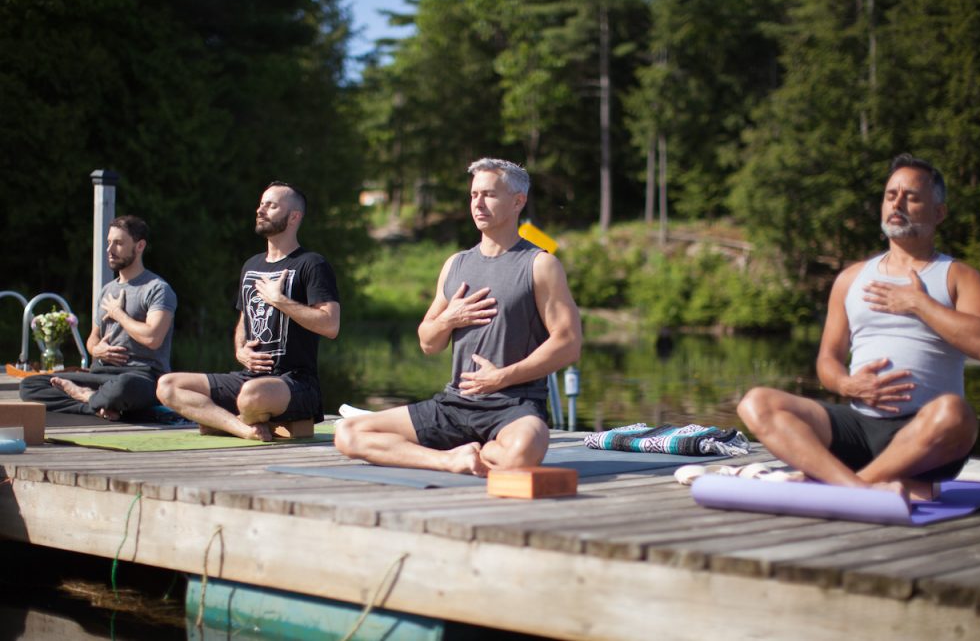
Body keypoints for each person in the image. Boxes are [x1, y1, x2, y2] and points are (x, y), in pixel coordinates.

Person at [737, 154, 980, 499]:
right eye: (891, 195)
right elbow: (827, 361)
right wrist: (848, 384)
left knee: (957, 414)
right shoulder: (850, 279)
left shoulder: (960, 277)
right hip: (858, 428)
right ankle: (860, 488)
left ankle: (844, 483)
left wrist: (919, 303)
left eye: (912, 196)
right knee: (757, 403)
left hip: (924, 435)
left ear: (939, 212)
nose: (898, 203)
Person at [334, 158, 582, 476]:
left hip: (513, 405)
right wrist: (448, 319)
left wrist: (502, 377)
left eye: (489, 194)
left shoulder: (539, 265)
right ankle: (451, 459)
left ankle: (485, 449)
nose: (477, 202)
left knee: (523, 454)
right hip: (454, 405)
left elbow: (569, 343)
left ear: (518, 201)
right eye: (473, 195)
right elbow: (428, 342)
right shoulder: (456, 264)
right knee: (348, 433)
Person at [156, 182, 340, 441]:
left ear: (294, 217)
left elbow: (331, 325)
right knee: (168, 386)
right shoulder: (251, 265)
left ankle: (222, 421)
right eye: (261, 203)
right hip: (249, 377)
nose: (260, 210)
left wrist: (280, 300)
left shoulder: (312, 264)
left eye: (271, 205)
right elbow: (244, 319)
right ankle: (243, 428)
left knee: (252, 395)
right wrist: (240, 350)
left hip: (295, 382)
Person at [20, 215, 177, 422]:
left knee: (123, 388)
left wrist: (118, 314)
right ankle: (95, 405)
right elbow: (92, 339)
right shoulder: (107, 291)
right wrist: (96, 350)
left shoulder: (157, 289)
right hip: (100, 375)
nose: (110, 249)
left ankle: (92, 398)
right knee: (30, 385)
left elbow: (152, 338)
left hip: (141, 377)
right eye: (109, 242)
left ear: (140, 246)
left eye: (119, 243)